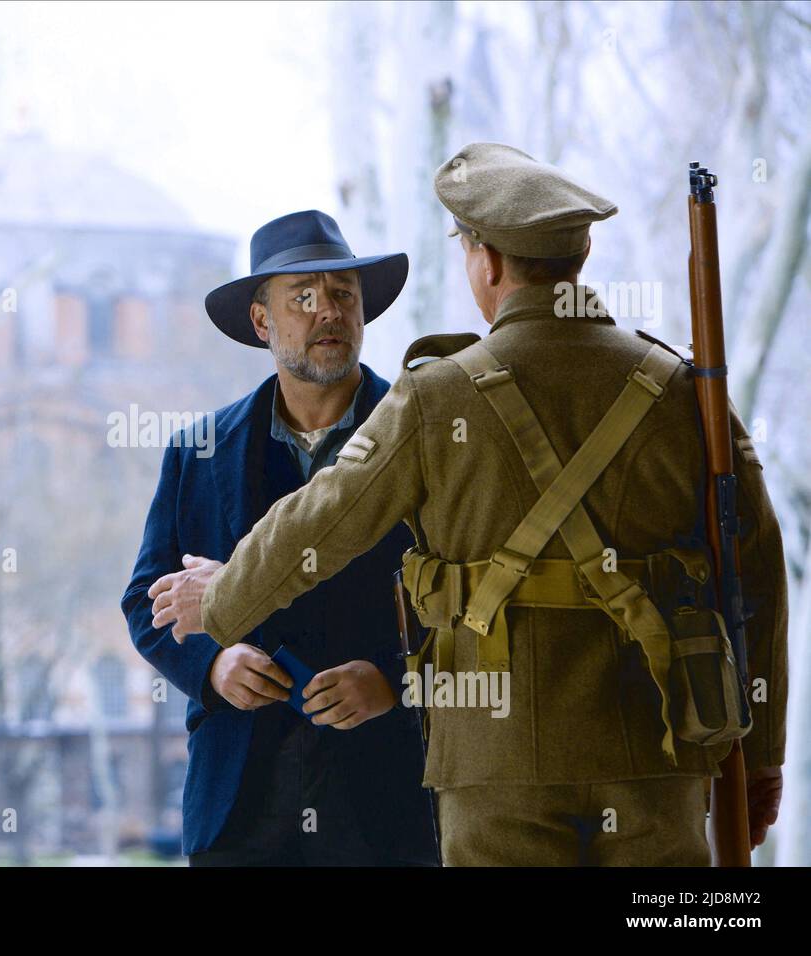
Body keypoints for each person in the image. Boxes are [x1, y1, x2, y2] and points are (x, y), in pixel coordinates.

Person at [150, 145, 788, 865]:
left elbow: (323, 519)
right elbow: (756, 572)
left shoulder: (436, 395)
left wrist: (225, 596)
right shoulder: (679, 389)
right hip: (659, 748)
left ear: (486, 263)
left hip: (497, 759)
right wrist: (761, 750)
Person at [123, 210, 439, 865]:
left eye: (342, 295)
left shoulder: (426, 439)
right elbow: (145, 602)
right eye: (302, 297)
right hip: (240, 803)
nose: (327, 311)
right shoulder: (198, 451)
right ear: (262, 322)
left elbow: (474, 608)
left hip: (386, 797)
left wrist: (394, 682)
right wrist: (212, 664)